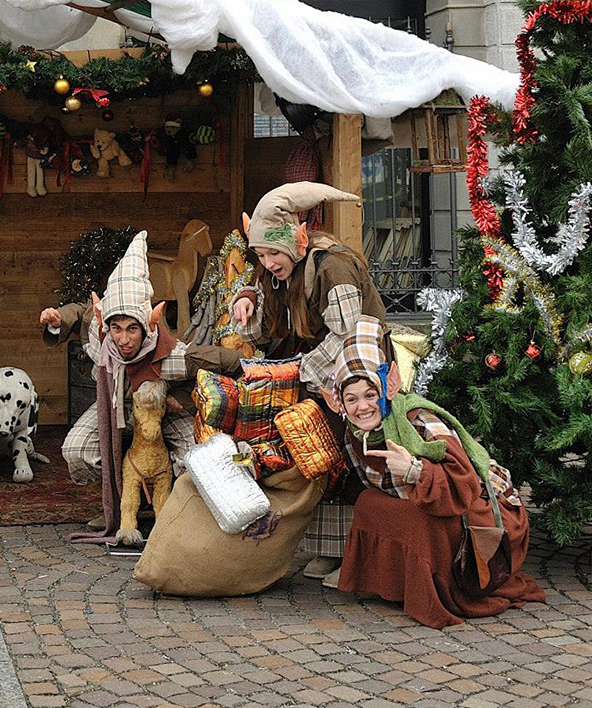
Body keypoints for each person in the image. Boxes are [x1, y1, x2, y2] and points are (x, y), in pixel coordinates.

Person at [332, 316, 546, 628]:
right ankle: (395, 583)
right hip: (434, 502)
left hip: (482, 507)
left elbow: (466, 484)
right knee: (368, 502)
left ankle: (443, 586)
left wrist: (416, 471)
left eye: (369, 394)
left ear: (386, 388)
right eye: (352, 399)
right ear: (341, 402)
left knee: (420, 518)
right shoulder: (355, 434)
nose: (362, 406)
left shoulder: (419, 420)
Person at [230, 181, 388, 587]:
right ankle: (328, 547)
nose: (266, 262)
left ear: (297, 242)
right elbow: (266, 330)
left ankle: (357, 554)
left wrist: (300, 372)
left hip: (360, 370)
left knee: (351, 455)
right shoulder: (277, 272)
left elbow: (349, 332)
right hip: (322, 372)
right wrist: (245, 302)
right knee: (317, 454)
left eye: (271, 253)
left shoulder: (333, 267)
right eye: (260, 255)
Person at [48, 232, 241, 541]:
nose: (123, 340)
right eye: (117, 329)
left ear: (147, 325)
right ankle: (120, 504)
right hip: (117, 407)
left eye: (132, 330)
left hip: (164, 412)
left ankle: (175, 508)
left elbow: (223, 362)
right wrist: (57, 318)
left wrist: (185, 400)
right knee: (77, 450)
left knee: (197, 459)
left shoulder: (171, 357)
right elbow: (81, 311)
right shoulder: (102, 339)